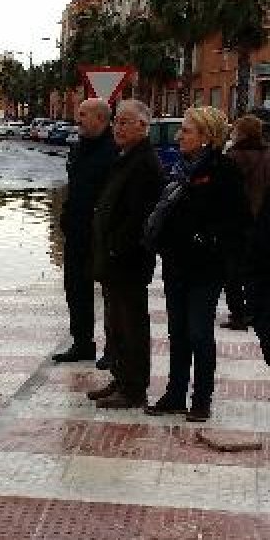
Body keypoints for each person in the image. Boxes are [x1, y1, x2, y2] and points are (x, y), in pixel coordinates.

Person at [144, 106, 248, 422]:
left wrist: (207, 241)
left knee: (199, 333)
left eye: (186, 130)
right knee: (178, 332)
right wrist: (162, 243)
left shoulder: (224, 170)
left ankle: (201, 399)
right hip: (177, 265)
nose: (178, 136)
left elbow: (237, 222)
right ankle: (175, 394)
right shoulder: (181, 168)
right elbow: (167, 211)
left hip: (206, 269)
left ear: (205, 137)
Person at [84, 100, 163, 409]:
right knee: (115, 324)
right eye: (117, 121)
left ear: (143, 127)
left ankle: (133, 388)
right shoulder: (125, 157)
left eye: (126, 122)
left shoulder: (144, 164)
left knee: (131, 325)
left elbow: (138, 218)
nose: (118, 127)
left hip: (127, 261)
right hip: (113, 260)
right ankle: (120, 377)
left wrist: (116, 247)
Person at [53, 98, 118, 366]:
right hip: (77, 232)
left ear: (101, 119)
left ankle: (113, 349)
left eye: (83, 115)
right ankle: (82, 343)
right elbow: (74, 186)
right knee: (75, 290)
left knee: (111, 295)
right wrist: (66, 218)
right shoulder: (79, 149)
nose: (78, 119)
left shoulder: (113, 151)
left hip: (102, 235)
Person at [219, 115, 270, 330]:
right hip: (262, 220)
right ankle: (253, 310)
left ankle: (238, 313)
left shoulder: (233, 157)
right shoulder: (268, 155)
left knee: (231, 270)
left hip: (236, 222)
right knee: (255, 268)